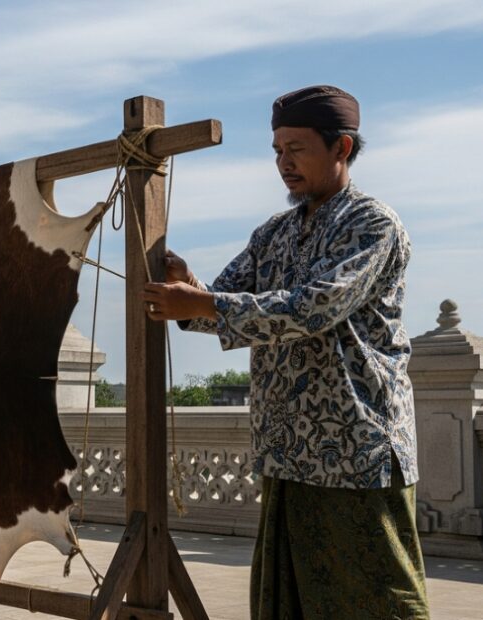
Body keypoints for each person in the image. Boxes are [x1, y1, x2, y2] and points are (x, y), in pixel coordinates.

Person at [143, 85, 429, 618]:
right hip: (287, 448)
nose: (283, 163)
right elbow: (224, 303)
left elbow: (313, 308)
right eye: (277, 151)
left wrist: (203, 302)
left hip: (353, 449)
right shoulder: (273, 233)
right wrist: (190, 288)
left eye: (296, 149)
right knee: (287, 603)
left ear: (341, 148)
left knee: (377, 601)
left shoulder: (373, 224)